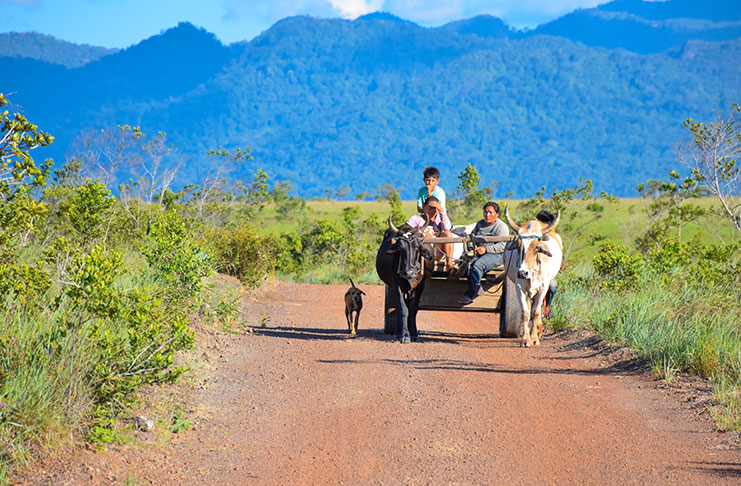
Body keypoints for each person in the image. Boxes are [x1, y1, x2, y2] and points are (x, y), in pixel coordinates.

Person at [458, 201, 509, 305]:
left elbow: (502, 246)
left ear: (497, 214)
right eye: (485, 212)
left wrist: (486, 249)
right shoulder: (480, 224)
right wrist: (473, 249)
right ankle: (476, 285)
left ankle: (469, 294)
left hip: (496, 255)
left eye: (490, 212)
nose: (487, 215)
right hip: (479, 253)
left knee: (477, 265)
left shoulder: (501, 227)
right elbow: (471, 238)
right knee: (467, 264)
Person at [406, 196, 456, 272]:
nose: (432, 210)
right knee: (426, 234)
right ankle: (429, 266)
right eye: (430, 207)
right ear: (424, 207)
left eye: (435, 208)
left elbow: (447, 228)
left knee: (448, 233)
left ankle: (449, 264)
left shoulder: (440, 218)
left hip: (439, 250)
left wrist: (442, 211)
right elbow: (407, 229)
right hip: (422, 252)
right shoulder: (416, 219)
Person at [536, 210, 564, 319]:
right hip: (533, 269)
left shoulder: (555, 237)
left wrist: (561, 262)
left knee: (552, 286)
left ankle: (548, 305)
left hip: (548, 270)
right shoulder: (533, 236)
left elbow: (560, 252)